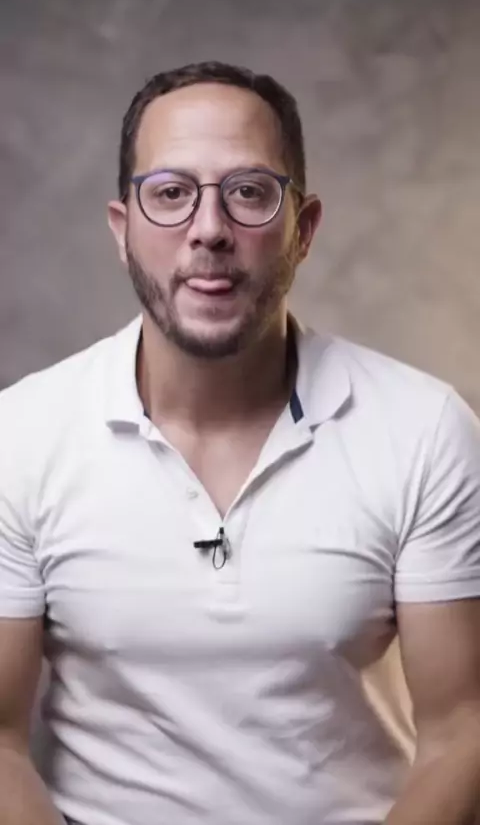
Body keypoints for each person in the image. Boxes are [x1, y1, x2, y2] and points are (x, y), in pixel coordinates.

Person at [0, 60, 479, 825]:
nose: (209, 228)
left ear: (303, 230)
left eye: (250, 191)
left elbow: (462, 732)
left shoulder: (423, 429)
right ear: (123, 231)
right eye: (170, 193)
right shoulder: (20, 437)